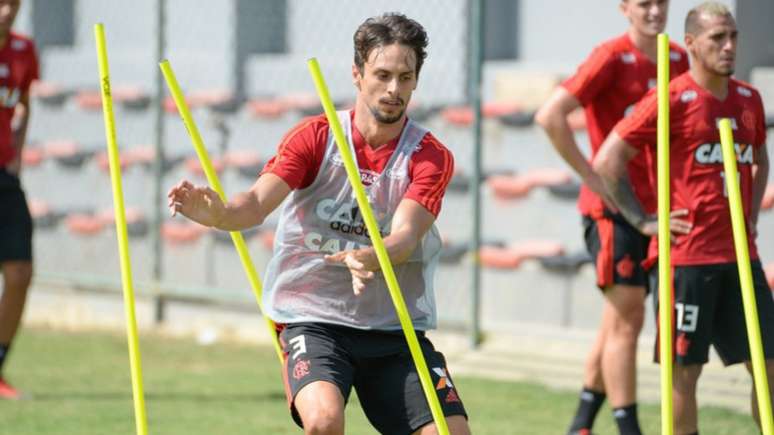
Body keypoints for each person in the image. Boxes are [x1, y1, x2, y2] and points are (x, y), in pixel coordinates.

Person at [168, 13, 470, 435]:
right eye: (382, 74)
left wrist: (372, 255)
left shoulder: (430, 156)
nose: (393, 89)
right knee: (324, 422)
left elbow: (404, 236)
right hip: (313, 318)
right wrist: (219, 215)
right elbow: (255, 202)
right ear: (357, 73)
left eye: (405, 77)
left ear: (417, 79)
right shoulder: (316, 137)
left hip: (393, 326)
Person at [594, 3, 773, 434]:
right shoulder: (670, 98)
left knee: (768, 367)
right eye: (717, 38)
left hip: (740, 258)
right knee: (684, 374)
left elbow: (761, 158)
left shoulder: (749, 97)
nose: (729, 46)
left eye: (733, 36)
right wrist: (645, 222)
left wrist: (749, 214)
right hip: (687, 261)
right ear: (691, 43)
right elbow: (607, 162)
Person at [535, 1, 688, 433]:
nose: (655, 10)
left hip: (657, 210)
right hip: (612, 210)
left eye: (662, 2)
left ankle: (581, 423)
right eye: (644, 3)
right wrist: (590, 174)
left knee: (617, 321)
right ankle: (629, 427)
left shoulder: (677, 57)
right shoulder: (610, 56)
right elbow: (549, 116)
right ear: (625, 8)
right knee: (629, 320)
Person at [0, 0, 39, 400]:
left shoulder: (24, 50)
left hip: (4, 175)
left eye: (12, 3)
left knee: (20, 273)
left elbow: (25, 101)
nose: (6, 11)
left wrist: (18, 154)